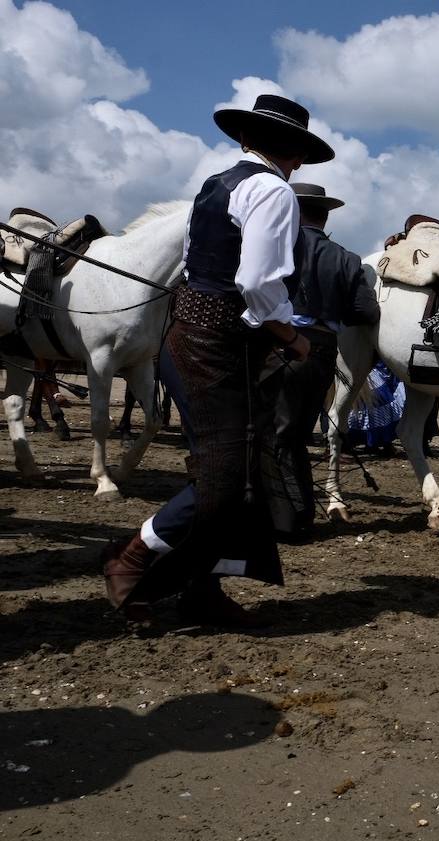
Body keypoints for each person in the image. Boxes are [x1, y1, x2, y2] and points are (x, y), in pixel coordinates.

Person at [101, 94, 333, 626]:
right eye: (297, 153)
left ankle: (202, 591)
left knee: (234, 471)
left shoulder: (215, 186)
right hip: (217, 350)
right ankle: (133, 554)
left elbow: (200, 269)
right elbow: (255, 283)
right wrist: (288, 335)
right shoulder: (274, 191)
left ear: (247, 140)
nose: (297, 164)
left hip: (190, 339)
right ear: (291, 151)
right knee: (225, 479)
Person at [259, 183, 380, 539]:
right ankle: (300, 513)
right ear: (324, 216)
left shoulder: (278, 248)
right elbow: (367, 311)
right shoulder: (347, 258)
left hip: (282, 347)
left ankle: (285, 520)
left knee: (274, 434)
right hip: (325, 353)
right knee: (296, 434)